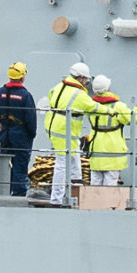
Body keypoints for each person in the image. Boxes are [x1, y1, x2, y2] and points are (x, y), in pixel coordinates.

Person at [39, 61, 94, 205]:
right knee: (62, 163)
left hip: (55, 126)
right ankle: (56, 199)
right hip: (64, 132)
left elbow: (51, 97)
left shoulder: (59, 86)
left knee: (75, 159)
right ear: (81, 78)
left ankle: (75, 194)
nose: (86, 81)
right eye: (86, 79)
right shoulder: (78, 93)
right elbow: (94, 107)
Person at [0, 63, 38, 197]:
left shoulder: (0, 92)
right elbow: (31, 119)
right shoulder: (25, 95)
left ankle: (4, 193)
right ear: (22, 77)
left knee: (5, 164)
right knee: (20, 165)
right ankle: (18, 195)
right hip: (21, 135)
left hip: (5, 134)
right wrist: (31, 135)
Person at [85, 75, 137, 189]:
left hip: (96, 151)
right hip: (113, 152)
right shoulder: (118, 106)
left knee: (95, 187)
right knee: (110, 187)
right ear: (108, 88)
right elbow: (133, 119)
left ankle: (94, 206)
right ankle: (107, 206)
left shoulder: (91, 106)